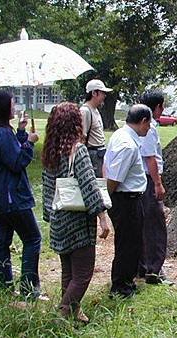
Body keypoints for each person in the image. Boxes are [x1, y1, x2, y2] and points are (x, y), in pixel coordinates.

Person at [41, 102, 112, 323]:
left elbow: (47, 186)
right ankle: (61, 315)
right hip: (78, 220)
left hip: (59, 218)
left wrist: (49, 215)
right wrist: (103, 216)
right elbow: (89, 184)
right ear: (74, 124)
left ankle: (74, 312)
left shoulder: (50, 151)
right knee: (82, 274)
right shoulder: (77, 150)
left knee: (68, 272)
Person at [0, 89, 45, 299]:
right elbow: (17, 162)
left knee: (2, 240)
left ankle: (0, 284)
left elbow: (10, 152)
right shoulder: (2, 134)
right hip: (11, 198)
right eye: (12, 102)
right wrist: (30, 142)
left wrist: (21, 132)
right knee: (32, 239)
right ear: (3, 107)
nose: (15, 106)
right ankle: (29, 289)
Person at [104, 104, 151, 298]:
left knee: (131, 241)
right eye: (149, 124)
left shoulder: (120, 135)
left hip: (128, 198)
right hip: (126, 199)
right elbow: (114, 178)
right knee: (128, 244)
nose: (149, 129)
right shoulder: (128, 145)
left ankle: (126, 280)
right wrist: (108, 199)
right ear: (142, 122)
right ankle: (121, 286)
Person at [137, 89, 169, 284]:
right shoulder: (149, 128)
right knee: (155, 226)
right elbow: (150, 158)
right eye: (161, 106)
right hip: (148, 180)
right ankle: (154, 269)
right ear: (156, 107)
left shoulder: (136, 126)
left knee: (143, 225)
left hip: (139, 180)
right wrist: (158, 183)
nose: (162, 110)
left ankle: (142, 266)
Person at [81, 79, 113, 177]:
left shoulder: (95, 110)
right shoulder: (85, 111)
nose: (104, 96)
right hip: (93, 155)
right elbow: (81, 137)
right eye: (102, 93)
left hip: (100, 154)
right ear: (94, 93)